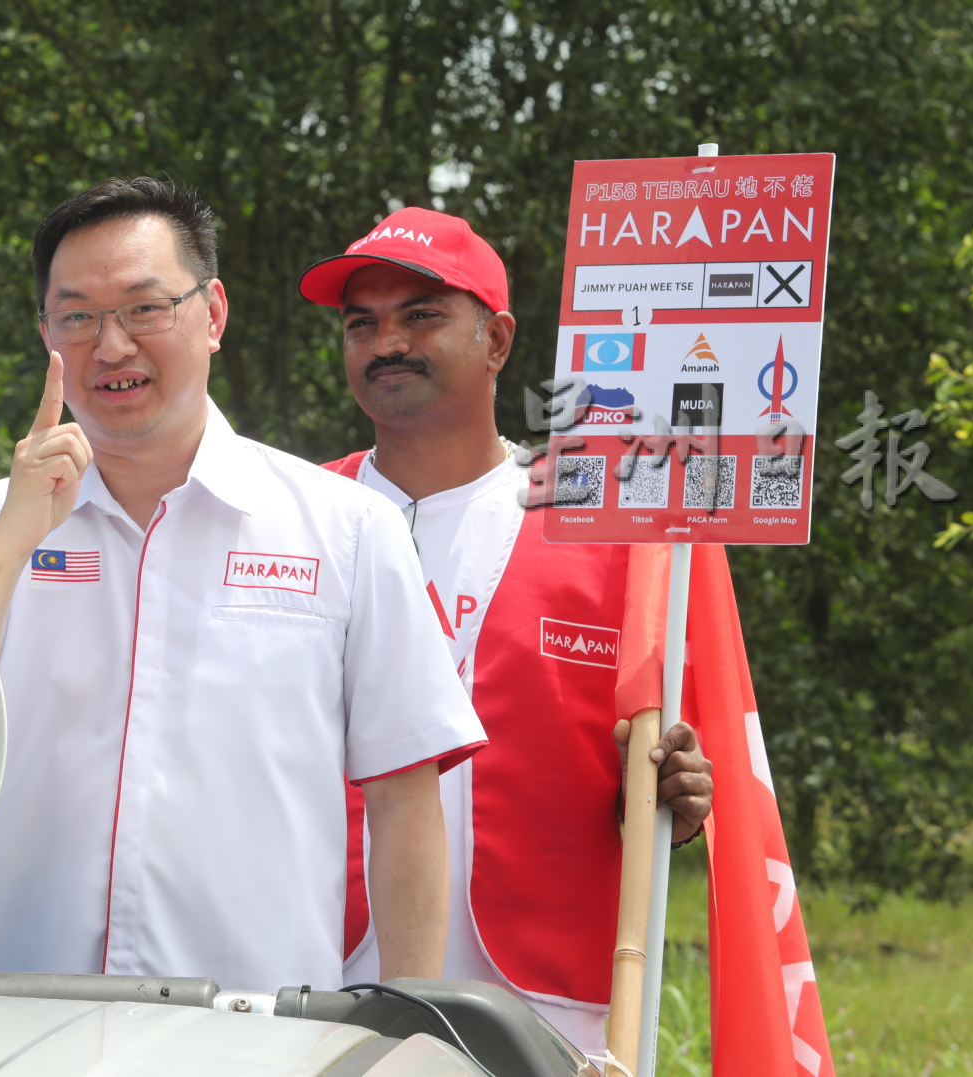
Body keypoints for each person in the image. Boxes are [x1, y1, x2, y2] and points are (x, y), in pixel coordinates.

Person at [0, 177, 486, 991]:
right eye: (76, 316)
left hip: (258, 1037)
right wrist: (18, 533)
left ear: (213, 313)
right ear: (45, 331)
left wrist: (409, 1022)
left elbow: (404, 799)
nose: (111, 346)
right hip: (9, 1025)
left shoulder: (347, 530)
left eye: (145, 308)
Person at [298, 207, 715, 1055]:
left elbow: (665, 769)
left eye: (421, 315)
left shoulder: (603, 523)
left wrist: (675, 798)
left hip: (542, 997)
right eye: (361, 323)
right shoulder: (293, 516)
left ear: (495, 340)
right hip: (317, 973)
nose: (387, 343)